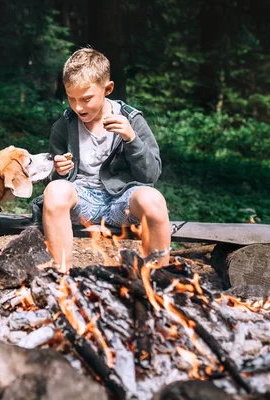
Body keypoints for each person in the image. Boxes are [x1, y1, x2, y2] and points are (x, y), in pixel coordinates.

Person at [40, 47, 170, 270]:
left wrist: (131, 139)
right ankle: (61, 277)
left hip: (122, 200)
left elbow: (151, 174)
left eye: (86, 98)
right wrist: (57, 171)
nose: (78, 106)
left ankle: (158, 279)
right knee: (55, 191)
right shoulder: (65, 125)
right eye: (71, 98)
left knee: (154, 200)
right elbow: (51, 178)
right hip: (82, 201)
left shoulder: (131, 120)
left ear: (107, 88)